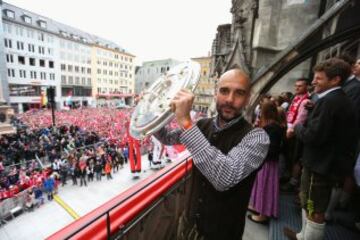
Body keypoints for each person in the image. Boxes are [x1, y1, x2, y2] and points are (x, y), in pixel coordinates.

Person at [155, 68, 270, 239]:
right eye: (224, 91)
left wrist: (186, 123)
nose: (230, 100)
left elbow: (224, 177)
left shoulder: (257, 138)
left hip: (221, 233)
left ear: (248, 98)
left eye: (239, 93)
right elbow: (167, 138)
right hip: (189, 222)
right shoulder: (202, 124)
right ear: (215, 93)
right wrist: (152, 112)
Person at [284, 58, 357, 240]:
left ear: (335, 80)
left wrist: (296, 127)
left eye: (318, 78)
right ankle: (304, 235)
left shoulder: (330, 102)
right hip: (324, 164)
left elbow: (313, 136)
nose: (314, 81)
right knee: (310, 202)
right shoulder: (336, 99)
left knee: (314, 206)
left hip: (319, 165)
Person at [248, 99, 284, 224]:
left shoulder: (272, 128)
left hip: (267, 162)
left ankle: (263, 215)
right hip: (269, 162)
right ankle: (258, 207)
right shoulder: (276, 126)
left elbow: (272, 148)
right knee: (262, 186)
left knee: (264, 188)